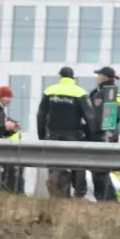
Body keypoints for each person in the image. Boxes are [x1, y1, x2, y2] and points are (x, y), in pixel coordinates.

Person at [38, 67, 93, 198]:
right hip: (73, 136)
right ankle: (79, 194)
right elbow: (89, 117)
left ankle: (56, 192)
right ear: (73, 78)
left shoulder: (50, 91)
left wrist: (41, 136)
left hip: (53, 136)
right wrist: (89, 136)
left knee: (54, 165)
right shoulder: (79, 92)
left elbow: (41, 115)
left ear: (60, 77)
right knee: (78, 164)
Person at [87, 67, 120, 200]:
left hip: (104, 136)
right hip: (99, 135)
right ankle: (106, 200)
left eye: (99, 75)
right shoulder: (101, 91)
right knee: (98, 172)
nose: (97, 77)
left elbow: (112, 117)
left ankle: (108, 200)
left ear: (105, 77)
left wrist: (97, 131)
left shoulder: (110, 92)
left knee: (100, 172)